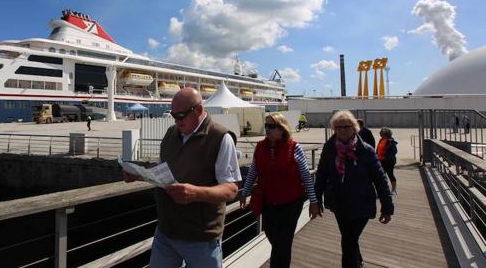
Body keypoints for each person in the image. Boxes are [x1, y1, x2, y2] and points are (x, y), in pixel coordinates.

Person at [124, 87, 241, 268]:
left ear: (199, 110)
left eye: (181, 115)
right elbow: (161, 167)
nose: (176, 120)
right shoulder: (171, 133)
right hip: (166, 231)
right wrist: (139, 173)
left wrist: (196, 193)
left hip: (201, 237)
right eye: (173, 115)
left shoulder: (220, 138)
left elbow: (231, 189)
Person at [239, 112, 321, 268]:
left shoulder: (294, 147)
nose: (268, 129)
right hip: (268, 201)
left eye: (272, 126)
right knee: (273, 236)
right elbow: (253, 172)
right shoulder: (260, 147)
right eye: (266, 126)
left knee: (282, 243)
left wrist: (313, 201)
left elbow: (305, 176)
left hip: (291, 203)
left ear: (282, 129)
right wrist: (244, 192)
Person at [315, 110, 394, 268]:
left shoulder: (366, 151)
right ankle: (357, 261)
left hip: (361, 203)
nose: (341, 130)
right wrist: (316, 200)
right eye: (337, 127)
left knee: (348, 240)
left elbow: (380, 179)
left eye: (345, 126)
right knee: (349, 238)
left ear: (354, 128)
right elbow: (322, 175)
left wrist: (387, 206)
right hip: (339, 202)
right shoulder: (330, 148)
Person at [377, 128, 398, 194]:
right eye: (381, 134)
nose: (380, 135)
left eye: (382, 134)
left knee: (390, 174)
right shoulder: (381, 140)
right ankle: (384, 189)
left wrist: (386, 155)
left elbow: (394, 151)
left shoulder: (391, 141)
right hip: (380, 160)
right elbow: (378, 149)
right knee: (382, 175)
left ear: (386, 134)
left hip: (388, 161)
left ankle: (394, 189)